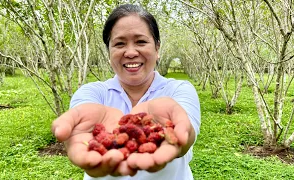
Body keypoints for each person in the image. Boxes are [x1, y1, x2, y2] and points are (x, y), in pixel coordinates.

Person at [51, 3, 201, 180]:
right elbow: (84, 115)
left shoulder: (179, 90)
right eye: (119, 44)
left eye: (141, 41)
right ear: (109, 52)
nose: (130, 52)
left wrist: (177, 134)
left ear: (157, 48)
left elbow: (186, 134)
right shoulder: (92, 92)